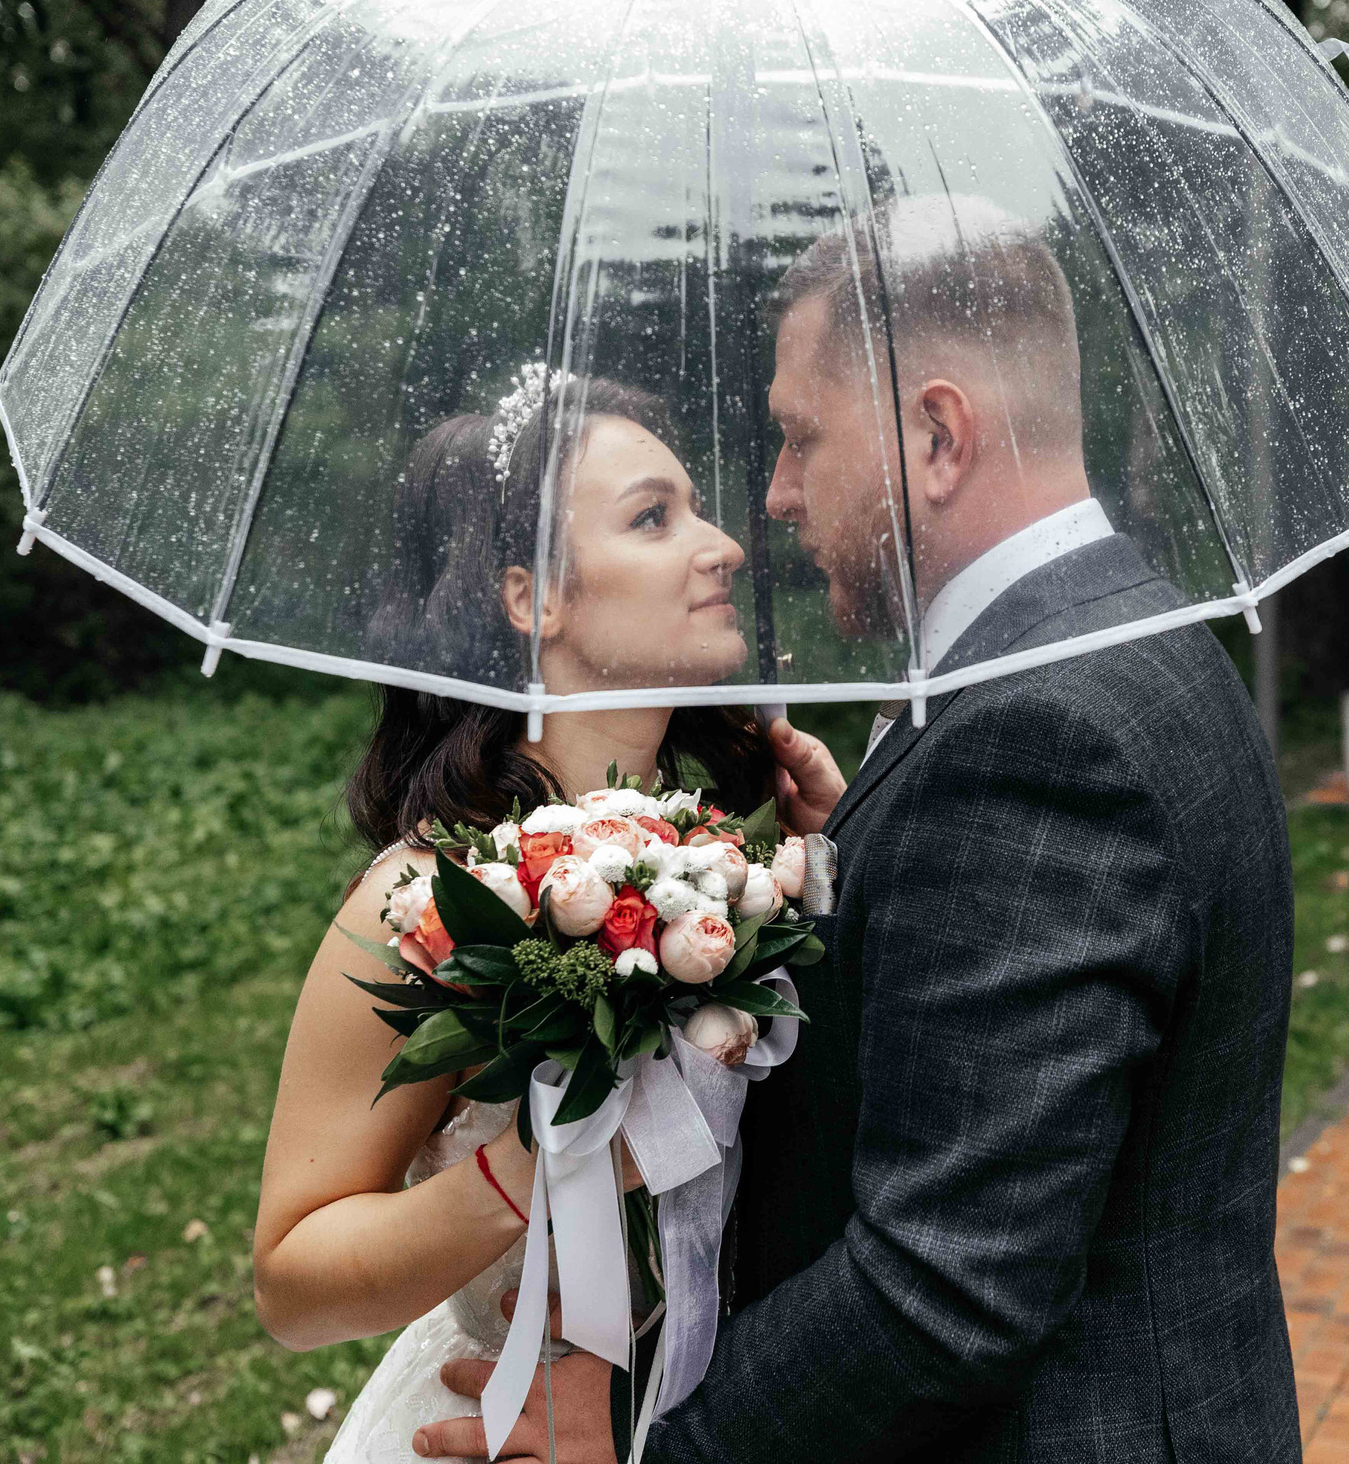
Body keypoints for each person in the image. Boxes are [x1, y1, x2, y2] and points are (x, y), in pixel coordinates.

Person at [419, 196, 1300, 1462]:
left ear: (937, 433)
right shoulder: (1125, 638)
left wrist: (636, 1435)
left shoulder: (1037, 731)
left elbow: (943, 1286)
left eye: (797, 438)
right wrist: (856, 866)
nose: (771, 496)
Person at [253, 374, 777, 1464]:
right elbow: (291, 1283)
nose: (723, 544)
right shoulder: (424, 905)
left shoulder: (738, 869)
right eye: (653, 517)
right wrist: (530, 1180)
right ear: (530, 598)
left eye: (699, 507)